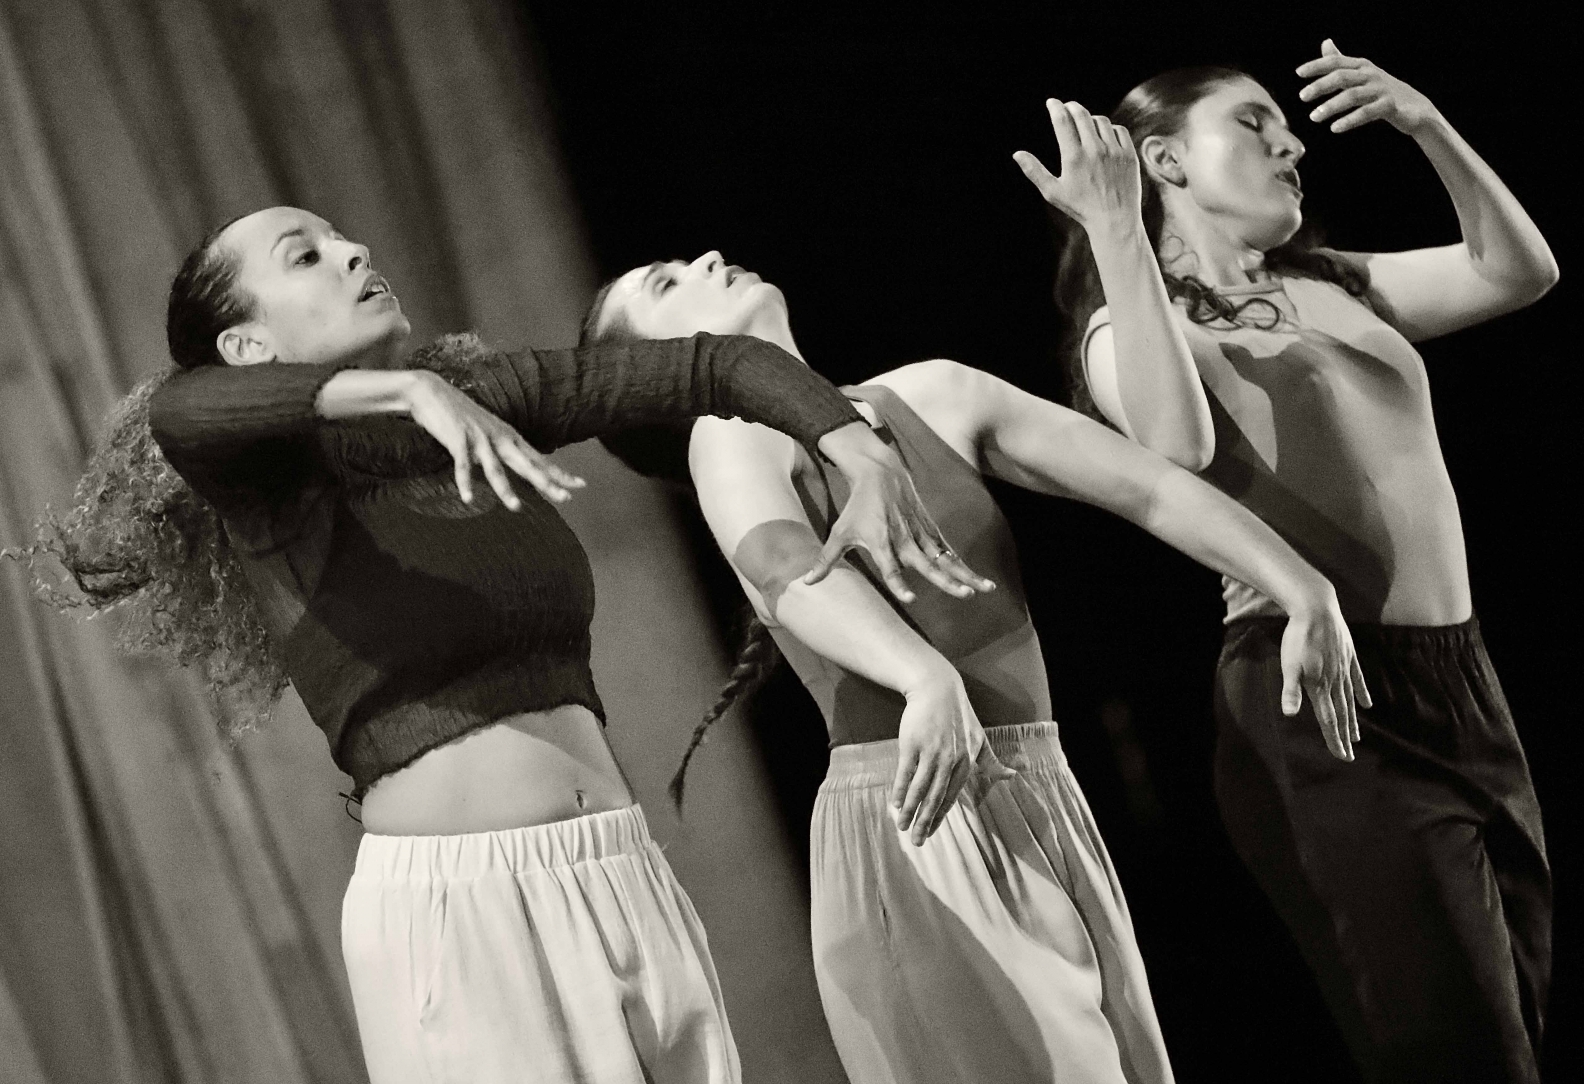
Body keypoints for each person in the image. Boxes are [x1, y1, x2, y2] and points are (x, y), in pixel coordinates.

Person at [27, 206, 990, 1084]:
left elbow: (711, 364)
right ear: (246, 342)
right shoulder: (267, 485)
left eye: (342, 238)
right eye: (305, 257)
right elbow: (183, 410)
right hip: (463, 914)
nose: (356, 250)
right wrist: (398, 395)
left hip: (618, 870)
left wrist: (849, 442)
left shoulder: (483, 394)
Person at [581, 249, 1368, 1084]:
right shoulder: (728, 432)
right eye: (665, 286)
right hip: (918, 802)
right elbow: (782, 570)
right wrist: (922, 674)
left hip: (1037, 786)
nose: (704, 258)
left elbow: (1149, 487)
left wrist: (1302, 586)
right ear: (667, 373)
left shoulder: (934, 394)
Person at [1017, 42, 1561, 1082]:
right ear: (1164, 162)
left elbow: (1517, 271)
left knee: (1516, 1025)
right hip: (1319, 690)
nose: (1291, 142)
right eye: (1255, 122)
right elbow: (1173, 447)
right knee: (1458, 1050)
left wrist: (1425, 123)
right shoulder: (1125, 328)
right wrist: (1117, 230)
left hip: (1461, 683)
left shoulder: (1333, 279)